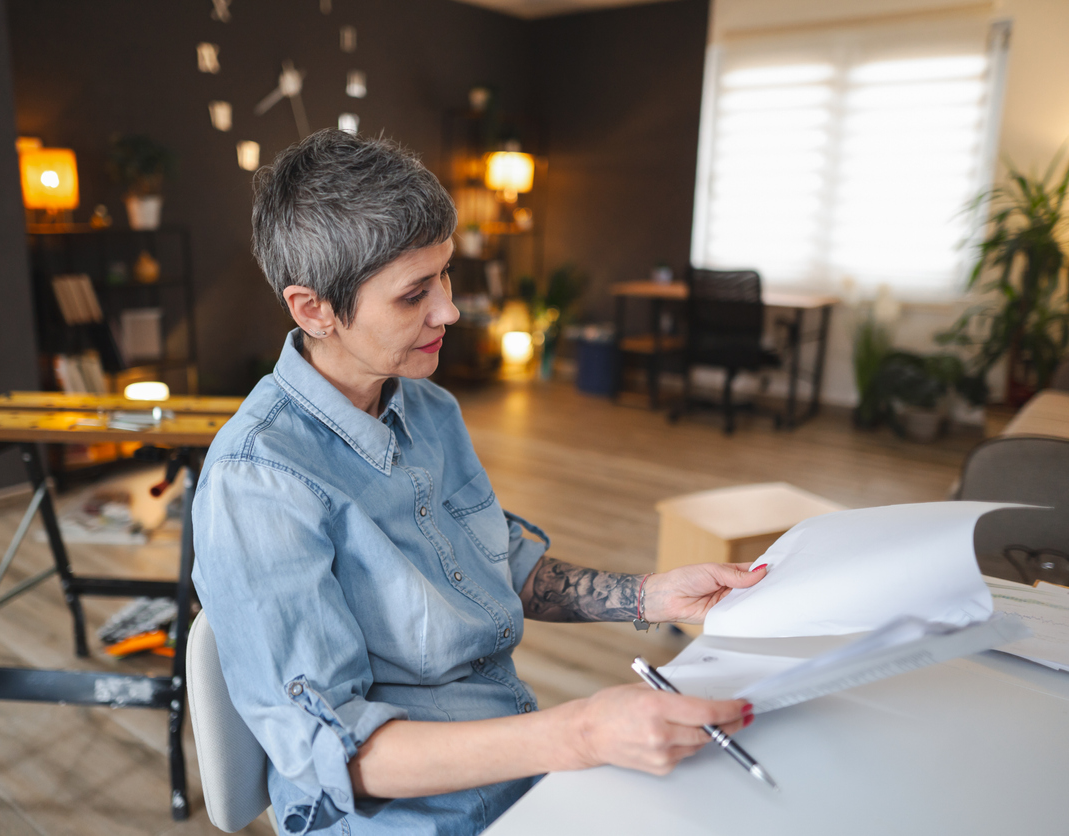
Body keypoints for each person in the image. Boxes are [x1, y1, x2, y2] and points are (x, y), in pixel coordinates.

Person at [192, 129, 767, 836]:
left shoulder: (426, 405)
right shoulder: (259, 481)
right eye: (414, 295)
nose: (450, 311)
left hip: (509, 770)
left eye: (445, 276)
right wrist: (582, 734)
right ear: (313, 309)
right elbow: (337, 756)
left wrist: (649, 594)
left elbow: (494, 562)